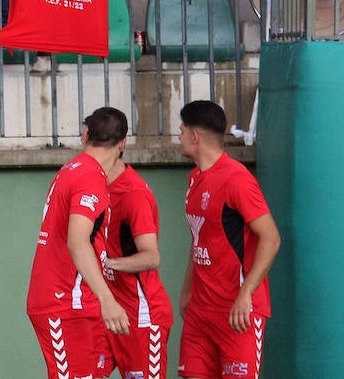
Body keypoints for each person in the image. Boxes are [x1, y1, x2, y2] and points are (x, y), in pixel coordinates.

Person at [176, 100, 281, 379]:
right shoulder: (194, 178)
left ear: (194, 137)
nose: (179, 137)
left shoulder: (237, 179)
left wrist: (246, 293)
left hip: (238, 313)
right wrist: (187, 289)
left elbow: (271, 237)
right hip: (200, 312)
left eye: (182, 131)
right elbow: (199, 239)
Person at [26, 106, 130, 379]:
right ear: (123, 143)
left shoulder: (74, 170)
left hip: (75, 302)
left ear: (85, 134)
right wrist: (108, 300)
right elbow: (77, 241)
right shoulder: (89, 177)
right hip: (64, 304)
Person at [98, 156, 174, 379]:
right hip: (108, 310)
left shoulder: (133, 193)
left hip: (141, 315)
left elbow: (151, 257)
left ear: (117, 145)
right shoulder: (95, 189)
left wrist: (108, 264)